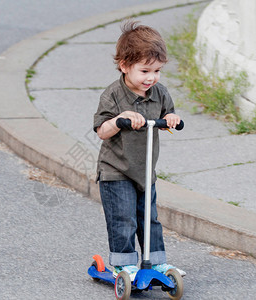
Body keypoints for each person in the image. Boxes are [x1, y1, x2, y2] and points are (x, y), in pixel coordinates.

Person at [93, 20, 186, 281]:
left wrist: (172, 119)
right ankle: (124, 266)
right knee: (123, 219)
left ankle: (156, 263)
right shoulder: (112, 95)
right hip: (117, 170)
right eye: (145, 70)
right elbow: (102, 130)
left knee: (150, 219)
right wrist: (119, 119)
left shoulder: (160, 93)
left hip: (145, 170)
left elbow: (169, 115)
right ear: (124, 65)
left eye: (157, 70)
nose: (151, 78)